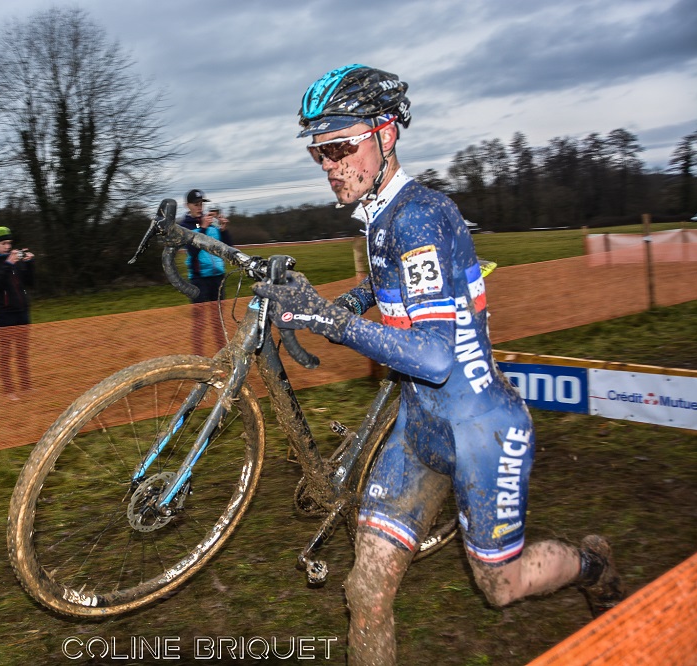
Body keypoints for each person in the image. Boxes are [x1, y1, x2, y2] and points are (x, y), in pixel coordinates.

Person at [252, 64, 624, 665]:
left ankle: (591, 564)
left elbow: (432, 354)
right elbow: (394, 286)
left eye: (341, 146)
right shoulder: (381, 215)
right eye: (319, 152)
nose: (329, 165)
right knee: (365, 591)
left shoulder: (419, 217)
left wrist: (328, 321)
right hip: (421, 432)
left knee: (500, 588)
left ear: (386, 134)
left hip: (482, 431)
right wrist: (339, 302)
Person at [0, 226, 35, 400]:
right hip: (5, 315)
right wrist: (8, 264)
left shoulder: (13, 259)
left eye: (9, 243)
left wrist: (29, 263)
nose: (7, 247)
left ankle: (26, 386)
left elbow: (30, 282)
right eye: (4, 243)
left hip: (22, 312)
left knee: (22, 352)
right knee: (6, 355)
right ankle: (9, 390)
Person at [179, 189, 229, 355]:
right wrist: (203, 228)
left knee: (219, 322)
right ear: (188, 206)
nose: (199, 207)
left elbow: (228, 247)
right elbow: (192, 251)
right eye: (196, 204)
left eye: (201, 204)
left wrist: (223, 229)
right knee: (199, 324)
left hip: (217, 277)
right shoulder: (185, 225)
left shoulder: (209, 222)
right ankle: (198, 359)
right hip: (199, 280)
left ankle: (223, 356)